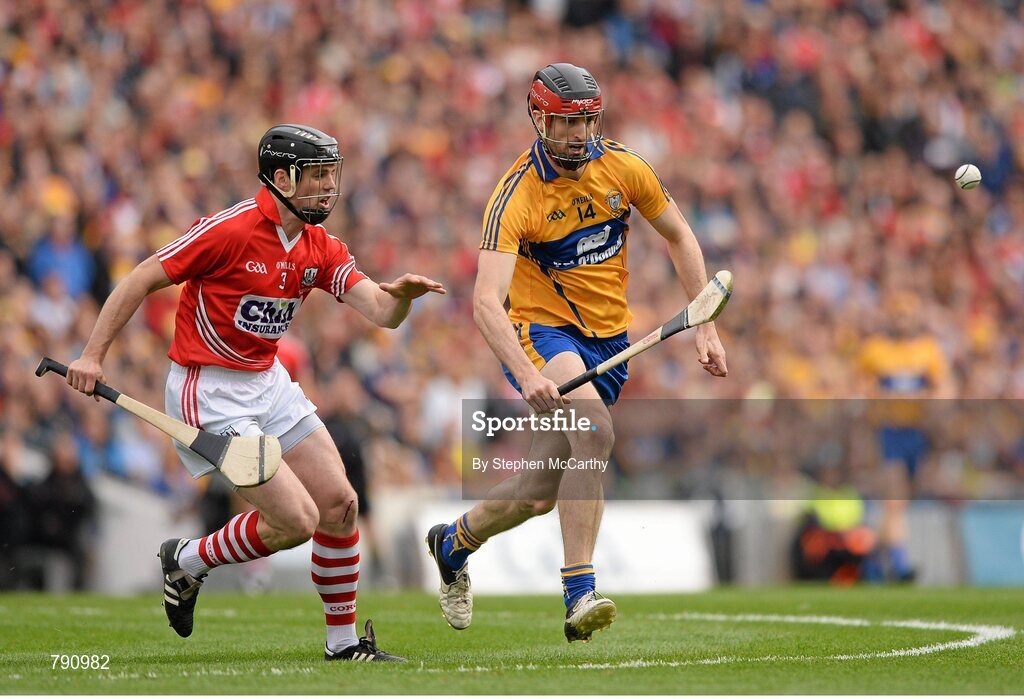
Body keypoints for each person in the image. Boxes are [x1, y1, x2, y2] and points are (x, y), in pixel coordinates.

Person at [67, 124, 445, 662]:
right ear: (282, 176)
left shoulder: (320, 245)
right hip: (209, 389)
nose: (327, 187)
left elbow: (382, 313)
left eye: (330, 175)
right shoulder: (230, 230)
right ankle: (191, 558)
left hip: (268, 384)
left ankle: (341, 645)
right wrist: (93, 354)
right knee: (296, 522)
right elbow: (139, 279)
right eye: (317, 176)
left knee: (340, 505)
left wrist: (402, 298)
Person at [425, 64, 728, 642]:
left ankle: (453, 540)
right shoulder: (516, 195)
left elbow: (680, 236)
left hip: (611, 341)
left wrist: (704, 325)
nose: (576, 134)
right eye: (565, 122)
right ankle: (578, 593)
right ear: (537, 118)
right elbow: (486, 303)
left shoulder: (625, 167)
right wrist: (524, 373)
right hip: (543, 335)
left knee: (537, 494)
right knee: (593, 430)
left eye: (586, 121)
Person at [857, 291, 952, 581]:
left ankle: (873, 560)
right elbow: (862, 390)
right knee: (895, 501)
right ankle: (900, 565)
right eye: (897, 314)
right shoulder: (875, 350)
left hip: (918, 433)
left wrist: (922, 399)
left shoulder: (928, 350)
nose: (902, 320)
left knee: (898, 504)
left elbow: (943, 390)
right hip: (888, 432)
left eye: (907, 314)